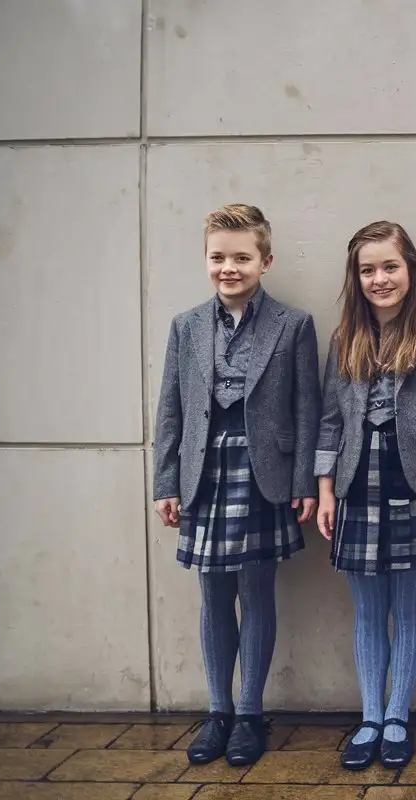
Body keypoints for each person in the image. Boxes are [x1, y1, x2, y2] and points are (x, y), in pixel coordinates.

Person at [153, 203, 320, 767]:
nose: (229, 267)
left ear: (265, 261)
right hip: (203, 475)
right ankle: (218, 710)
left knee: (257, 591)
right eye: (218, 257)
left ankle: (251, 713)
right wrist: (166, 482)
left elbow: (306, 406)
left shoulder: (294, 325)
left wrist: (304, 482)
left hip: (262, 475)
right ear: (205, 260)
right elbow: (171, 412)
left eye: (241, 257)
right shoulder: (186, 326)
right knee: (212, 593)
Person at [316, 221, 416, 771]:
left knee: (407, 610)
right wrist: (326, 490)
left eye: (389, 267)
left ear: (411, 270)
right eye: (367, 270)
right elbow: (330, 423)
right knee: (365, 613)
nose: (379, 279)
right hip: (357, 484)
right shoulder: (342, 341)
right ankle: (370, 718)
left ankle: (399, 715)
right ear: (355, 278)